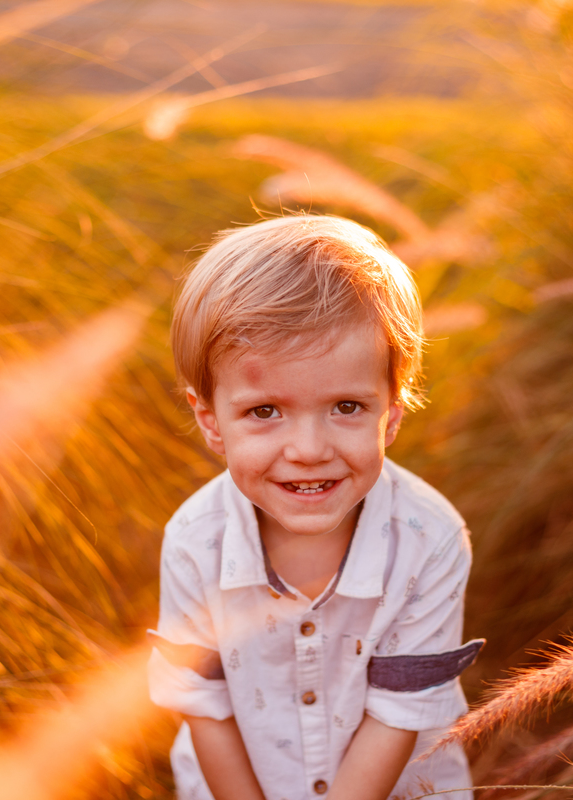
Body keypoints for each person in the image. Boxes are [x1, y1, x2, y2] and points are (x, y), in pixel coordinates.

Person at [149, 214, 483, 800]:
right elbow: (205, 705)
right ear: (211, 421)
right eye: (265, 411)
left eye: (347, 407)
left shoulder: (429, 539)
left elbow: (398, 714)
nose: (308, 450)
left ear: (392, 412)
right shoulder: (195, 540)